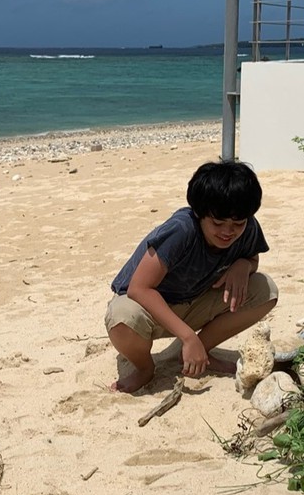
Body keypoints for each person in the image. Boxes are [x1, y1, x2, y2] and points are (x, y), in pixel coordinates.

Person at [105, 160, 279, 393]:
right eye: (217, 223)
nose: (228, 232)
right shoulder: (182, 230)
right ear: (199, 214)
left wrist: (244, 264)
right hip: (150, 307)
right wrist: (188, 337)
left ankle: (202, 352)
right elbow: (139, 288)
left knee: (265, 289)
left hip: (195, 300)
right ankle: (145, 369)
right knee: (121, 317)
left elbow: (253, 260)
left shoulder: (247, 227)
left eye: (237, 223)